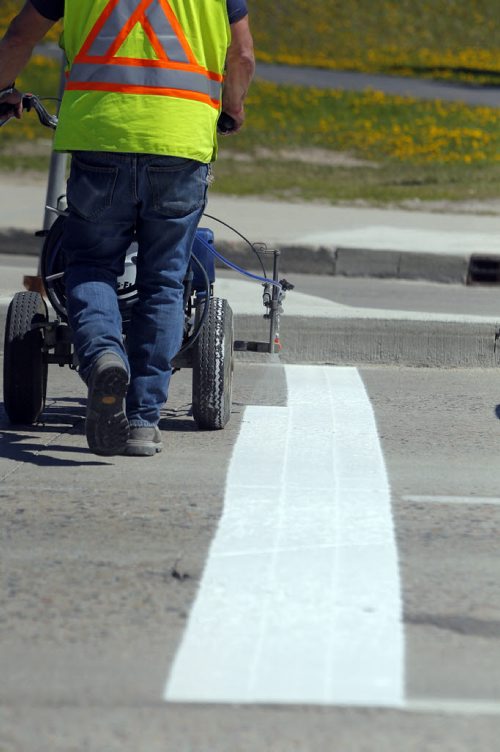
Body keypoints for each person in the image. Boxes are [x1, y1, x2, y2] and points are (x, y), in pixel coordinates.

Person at [0, 0, 255, 457]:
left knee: (92, 265)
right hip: (180, 143)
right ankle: (141, 422)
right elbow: (242, 56)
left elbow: (21, 34)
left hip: (100, 135)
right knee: (164, 280)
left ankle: (103, 356)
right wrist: (232, 106)